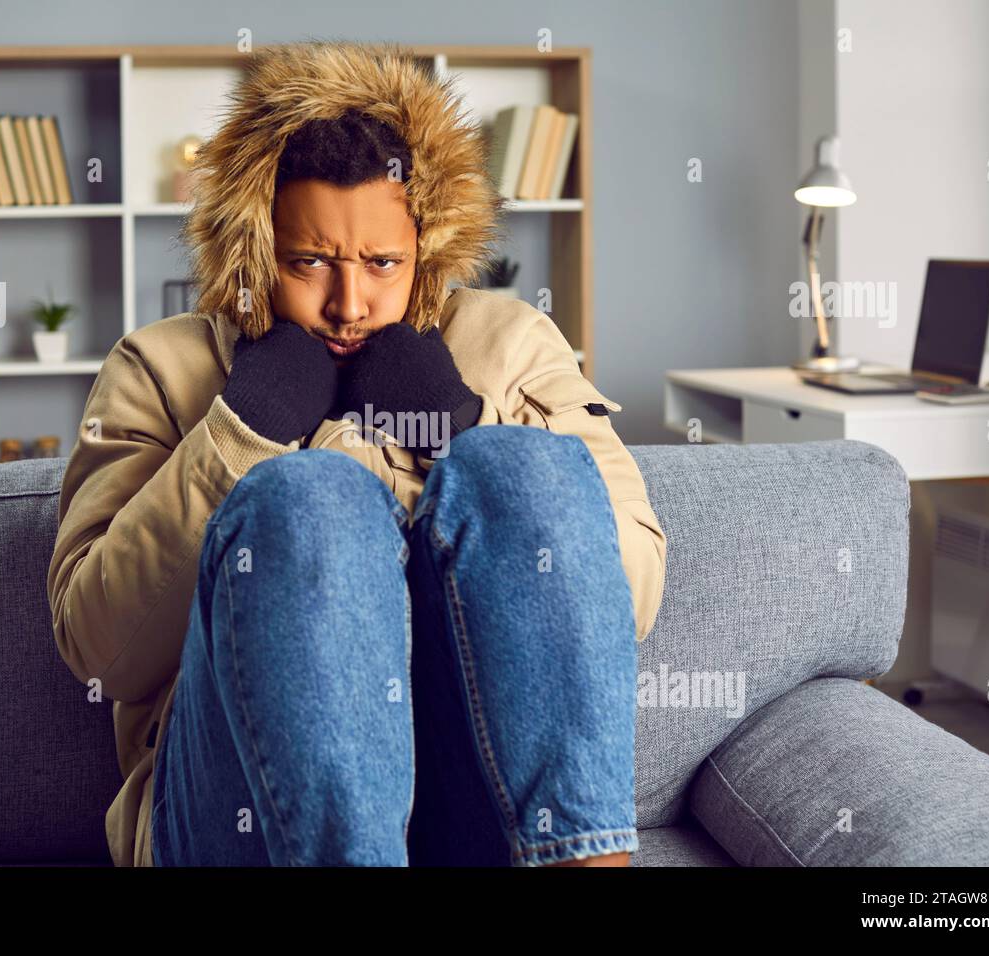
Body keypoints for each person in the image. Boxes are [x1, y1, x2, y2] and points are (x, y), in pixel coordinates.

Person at [47, 39, 667, 867]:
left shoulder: (514, 345)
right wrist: (240, 433)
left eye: (383, 264)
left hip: (473, 797)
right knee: (309, 500)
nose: (349, 304)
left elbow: (629, 601)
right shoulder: (158, 368)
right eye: (309, 263)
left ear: (429, 249)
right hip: (235, 810)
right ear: (257, 246)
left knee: (519, 465)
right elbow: (101, 652)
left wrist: (458, 430)